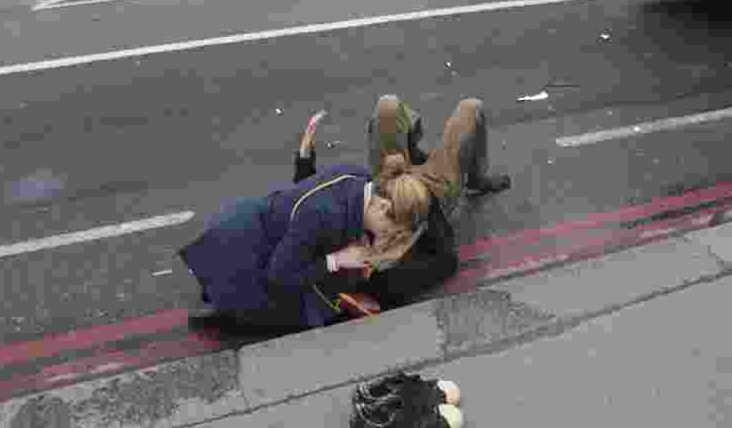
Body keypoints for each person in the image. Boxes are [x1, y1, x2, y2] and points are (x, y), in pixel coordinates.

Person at [295, 96, 511, 313]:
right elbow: (447, 260)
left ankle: (411, 149)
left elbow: (312, 204)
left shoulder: (345, 238)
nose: (383, 209)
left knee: (387, 105)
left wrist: (305, 159)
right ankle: (475, 178)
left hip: (391, 176)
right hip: (431, 192)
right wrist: (425, 206)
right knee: (471, 108)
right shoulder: (391, 279)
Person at [181, 150, 432, 332]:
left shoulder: (360, 177)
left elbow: (307, 194)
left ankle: (219, 299)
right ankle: (227, 313)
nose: (388, 237)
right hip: (245, 252)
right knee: (293, 315)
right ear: (383, 206)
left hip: (263, 227)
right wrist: (335, 261)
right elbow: (279, 275)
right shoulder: (323, 216)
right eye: (390, 230)